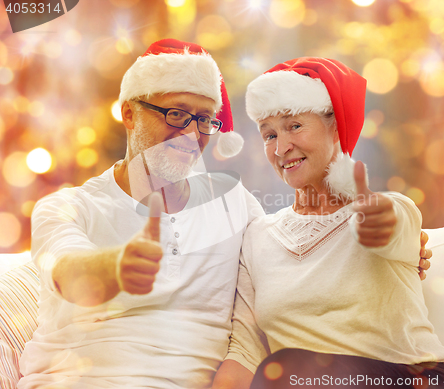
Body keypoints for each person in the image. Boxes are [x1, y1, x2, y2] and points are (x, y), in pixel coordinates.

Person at [18, 39, 265, 389]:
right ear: (130, 113)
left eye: (205, 120)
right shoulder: (67, 206)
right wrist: (116, 268)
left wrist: (241, 363)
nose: (193, 134)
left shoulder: (233, 203)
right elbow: (67, 271)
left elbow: (261, 295)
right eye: (177, 114)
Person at [213, 58, 444, 389]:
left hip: (414, 381)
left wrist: (375, 221)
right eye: (269, 135)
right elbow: (245, 352)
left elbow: (392, 225)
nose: (281, 148)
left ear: (335, 127)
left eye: (294, 126)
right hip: (297, 379)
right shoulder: (257, 237)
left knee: (286, 368)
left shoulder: (389, 207)